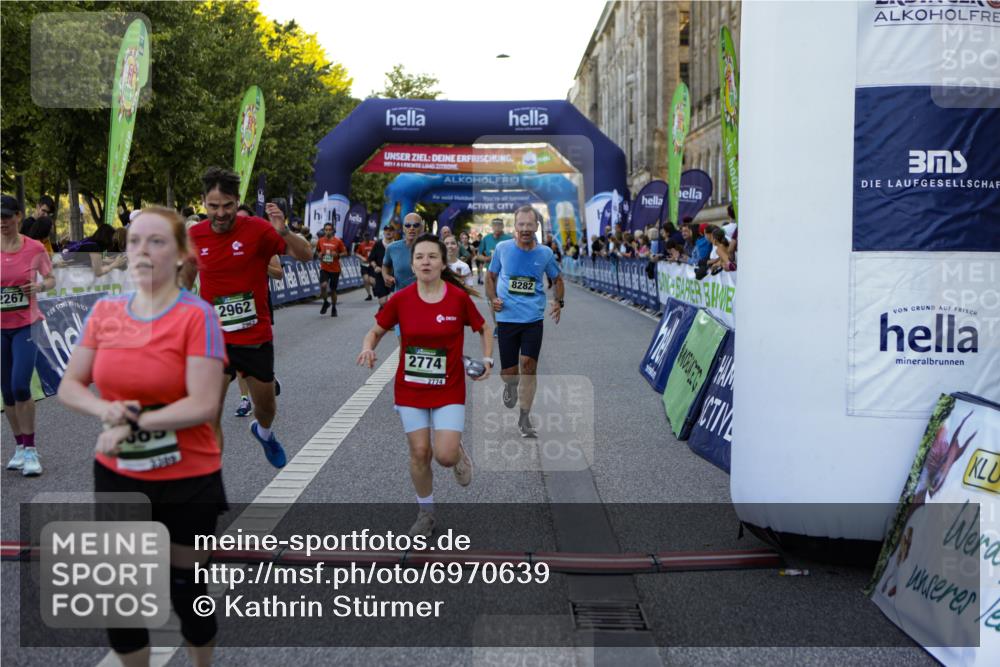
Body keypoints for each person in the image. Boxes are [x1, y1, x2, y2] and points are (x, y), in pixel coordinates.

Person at [57, 206, 227, 666]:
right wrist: (103, 408)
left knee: (186, 591)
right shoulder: (107, 313)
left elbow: (203, 403)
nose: (142, 251)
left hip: (189, 475)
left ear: (180, 254)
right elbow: (69, 385)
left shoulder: (199, 316)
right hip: (120, 473)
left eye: (156, 241)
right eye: (134, 241)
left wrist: (131, 423)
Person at [357, 233, 493, 538]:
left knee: (443, 456)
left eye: (432, 256)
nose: (425, 262)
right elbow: (376, 331)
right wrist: (368, 347)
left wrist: (487, 361)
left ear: (443, 262)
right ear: (412, 264)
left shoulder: (457, 298)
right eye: (419, 257)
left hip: (449, 387)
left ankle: (457, 451)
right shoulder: (401, 299)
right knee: (419, 452)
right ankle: (426, 513)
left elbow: (483, 328)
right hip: (410, 388)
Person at [180, 166, 313, 468]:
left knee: (265, 406)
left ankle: (263, 431)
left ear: (236, 200)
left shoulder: (257, 229)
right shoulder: (194, 236)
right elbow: (185, 280)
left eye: (227, 205)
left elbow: (306, 255)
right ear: (204, 203)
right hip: (213, 340)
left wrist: (283, 231)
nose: (221, 213)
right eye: (213, 206)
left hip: (254, 338)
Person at [485, 205, 563, 438]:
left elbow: (557, 279)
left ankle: (525, 417)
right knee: (509, 373)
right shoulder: (502, 249)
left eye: (530, 225)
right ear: (515, 226)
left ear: (536, 227)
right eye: (521, 225)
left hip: (533, 319)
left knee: (529, 365)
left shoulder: (545, 253)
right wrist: (493, 299)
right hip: (507, 319)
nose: (525, 229)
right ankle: (510, 385)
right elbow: (490, 277)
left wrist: (559, 301)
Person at [2, 195, 55, 476]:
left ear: (18, 217)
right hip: (0, 328)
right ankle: (19, 447)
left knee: (21, 385)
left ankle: (32, 450)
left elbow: (51, 279)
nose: (3, 222)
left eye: (7, 217)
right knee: (7, 391)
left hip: (27, 324)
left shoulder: (34, 247)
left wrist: (39, 288)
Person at [382, 212, 423, 294]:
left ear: (421, 228)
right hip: (400, 297)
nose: (411, 228)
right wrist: (386, 276)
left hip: (424, 298)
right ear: (403, 228)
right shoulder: (392, 248)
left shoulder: (431, 248)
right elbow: (385, 265)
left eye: (416, 225)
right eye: (408, 225)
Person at [315, 222, 348, 316]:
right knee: (323, 286)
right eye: (326, 230)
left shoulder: (338, 241)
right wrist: (319, 255)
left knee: (333, 290)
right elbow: (317, 251)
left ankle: (333, 307)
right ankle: (325, 302)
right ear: (324, 230)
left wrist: (337, 255)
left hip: (335, 269)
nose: (328, 231)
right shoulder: (320, 240)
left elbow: (345, 253)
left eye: (330, 230)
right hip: (324, 268)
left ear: (333, 230)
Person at [369, 225, 394, 308]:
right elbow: (371, 259)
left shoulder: (397, 245)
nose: (388, 232)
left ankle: (389, 318)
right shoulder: (378, 244)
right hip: (380, 276)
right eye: (386, 230)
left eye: (390, 230)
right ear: (384, 232)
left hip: (394, 276)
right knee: (383, 302)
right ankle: (384, 311)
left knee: (393, 299)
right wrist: (375, 267)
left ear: (394, 232)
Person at [355, 232, 376, 301]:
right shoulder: (361, 245)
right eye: (365, 236)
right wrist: (361, 257)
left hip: (372, 264)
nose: (366, 237)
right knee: (366, 280)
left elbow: (377, 252)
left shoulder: (373, 243)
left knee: (372, 282)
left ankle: (374, 288)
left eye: (368, 236)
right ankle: (369, 295)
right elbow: (356, 253)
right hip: (364, 265)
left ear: (369, 237)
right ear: (363, 237)